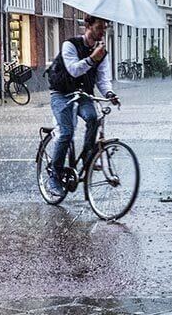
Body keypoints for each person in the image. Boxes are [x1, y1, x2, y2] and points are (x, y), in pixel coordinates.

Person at [46, 14, 120, 197]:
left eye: (105, 28)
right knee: (66, 131)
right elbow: (73, 70)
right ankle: (54, 176)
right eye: (99, 27)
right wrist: (92, 59)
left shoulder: (102, 53)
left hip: (83, 95)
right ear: (87, 26)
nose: (103, 32)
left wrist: (109, 93)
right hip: (61, 94)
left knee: (93, 118)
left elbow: (103, 79)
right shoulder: (69, 45)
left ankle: (88, 156)